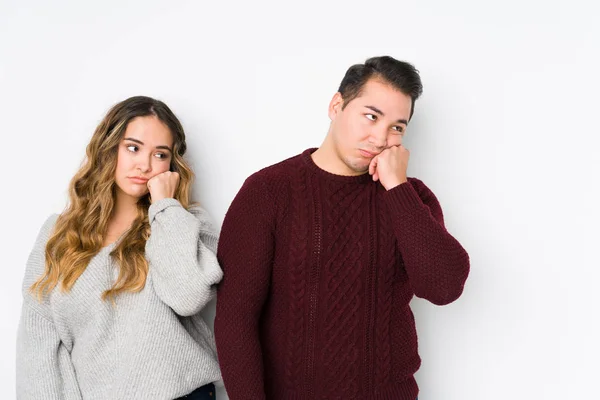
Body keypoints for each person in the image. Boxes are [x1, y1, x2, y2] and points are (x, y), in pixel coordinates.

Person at [214, 56, 470, 399]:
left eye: (397, 127)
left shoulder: (410, 198)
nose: (380, 137)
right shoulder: (268, 191)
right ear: (337, 105)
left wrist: (397, 188)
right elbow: (235, 321)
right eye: (371, 116)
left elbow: (444, 288)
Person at [16, 96, 222, 400]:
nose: (145, 164)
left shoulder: (185, 223)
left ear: (172, 164)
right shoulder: (57, 235)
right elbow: (38, 346)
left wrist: (165, 205)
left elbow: (189, 296)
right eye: (133, 148)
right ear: (109, 147)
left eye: (160, 154)